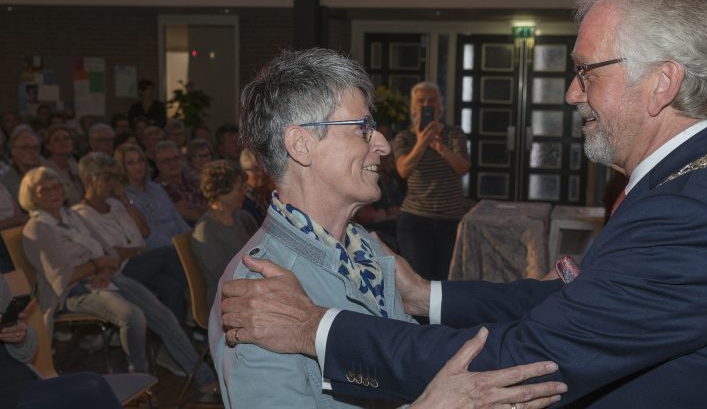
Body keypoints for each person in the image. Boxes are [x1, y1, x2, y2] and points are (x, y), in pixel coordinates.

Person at [218, 0, 707, 407]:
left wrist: (315, 328)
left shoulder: (688, 214)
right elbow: (571, 308)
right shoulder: (263, 282)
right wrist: (425, 297)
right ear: (301, 145)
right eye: (363, 128)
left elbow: (531, 353)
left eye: (587, 72)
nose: (573, 92)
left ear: (662, 82)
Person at [209, 48, 565, 409]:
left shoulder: (364, 246)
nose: (381, 144)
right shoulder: (259, 293)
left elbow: (405, 360)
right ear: (301, 144)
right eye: (362, 129)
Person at [19, 166, 217, 393]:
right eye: (44, 190)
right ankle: (141, 382)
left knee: (162, 314)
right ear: (31, 197)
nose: (53, 193)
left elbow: (108, 252)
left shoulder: (71, 215)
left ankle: (204, 378)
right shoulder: (36, 229)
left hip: (106, 277)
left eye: (56, 187)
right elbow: (63, 279)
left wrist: (104, 270)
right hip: (72, 292)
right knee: (133, 316)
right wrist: (98, 265)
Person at [72, 152, 188, 324]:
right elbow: (109, 253)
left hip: (140, 265)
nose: (113, 183)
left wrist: (126, 201)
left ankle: (178, 341)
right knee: (169, 253)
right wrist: (140, 250)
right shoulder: (81, 215)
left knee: (172, 286)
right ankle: (202, 305)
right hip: (118, 272)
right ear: (89, 180)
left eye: (115, 177)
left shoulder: (117, 204)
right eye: (107, 178)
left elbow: (144, 231)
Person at [0, 276, 123, 409]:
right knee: (92, 387)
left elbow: (27, 353)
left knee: (92, 388)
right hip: (9, 394)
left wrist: (19, 336)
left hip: (23, 378)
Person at [392, 82, 470, 280]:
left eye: (432, 100)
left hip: (450, 220)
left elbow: (463, 167)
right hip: (415, 220)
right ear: (413, 107)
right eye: (421, 101)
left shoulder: (454, 134)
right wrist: (421, 143)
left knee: (445, 280)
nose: (427, 104)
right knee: (419, 281)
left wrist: (439, 146)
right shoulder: (404, 138)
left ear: (440, 106)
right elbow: (403, 170)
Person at [192, 160, 258, 310]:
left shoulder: (243, 218)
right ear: (221, 193)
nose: (244, 193)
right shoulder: (205, 230)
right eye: (239, 189)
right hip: (227, 298)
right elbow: (222, 275)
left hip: (254, 286)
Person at [115, 143, 190, 250]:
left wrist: (192, 238)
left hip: (180, 242)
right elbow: (149, 235)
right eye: (131, 163)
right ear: (122, 167)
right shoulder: (124, 197)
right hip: (161, 249)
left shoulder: (157, 188)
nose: (138, 166)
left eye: (140, 160)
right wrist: (177, 247)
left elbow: (177, 217)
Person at [154, 140, 207, 224]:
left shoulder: (192, 179)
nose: (173, 163)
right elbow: (189, 214)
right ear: (158, 165)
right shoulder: (160, 187)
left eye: (175, 158)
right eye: (167, 161)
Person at [41, 125, 83, 206]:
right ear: (48, 146)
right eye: (57, 140)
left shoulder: (75, 165)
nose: (63, 142)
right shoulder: (46, 170)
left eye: (66, 138)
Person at [1, 126, 42, 204]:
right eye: (25, 148)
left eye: (35, 147)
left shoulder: (44, 174)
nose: (32, 152)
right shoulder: (6, 182)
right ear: (13, 150)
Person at [238, 149, 273, 226]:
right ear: (244, 173)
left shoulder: (271, 196)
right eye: (255, 169)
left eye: (264, 167)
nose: (261, 173)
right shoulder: (242, 202)